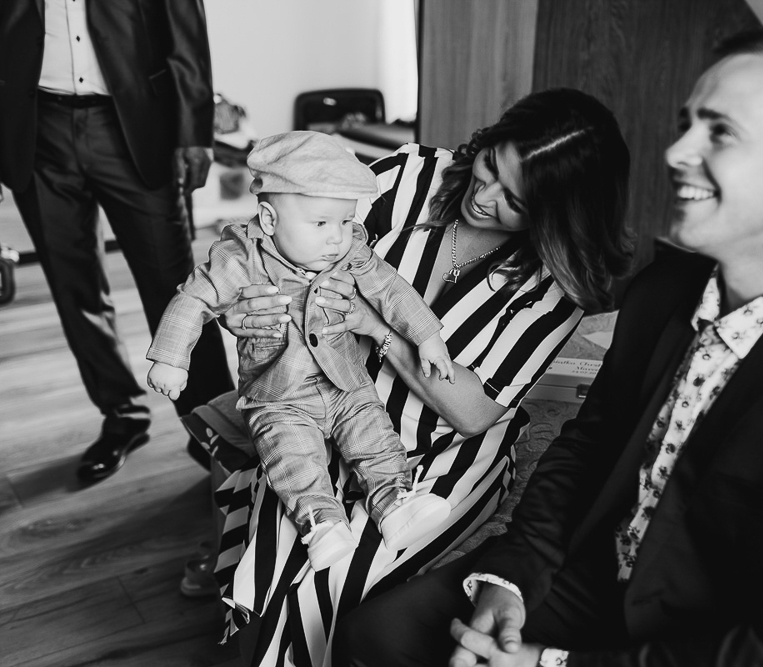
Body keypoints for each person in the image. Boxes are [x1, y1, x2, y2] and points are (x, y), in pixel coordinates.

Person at [332, 28, 763, 667]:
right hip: (602, 581)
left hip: (737, 635)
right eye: (688, 124)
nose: (678, 151)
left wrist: (552, 665)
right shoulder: (664, 288)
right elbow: (588, 449)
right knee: (376, 637)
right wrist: (510, 578)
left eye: (722, 132)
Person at [209, 88, 634, 666]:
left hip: (446, 448)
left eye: (515, 199)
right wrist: (244, 306)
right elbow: (275, 240)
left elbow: (474, 412)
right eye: (490, 166)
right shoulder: (409, 177)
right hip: (328, 398)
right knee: (287, 536)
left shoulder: (556, 285)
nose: (484, 197)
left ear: (558, 214)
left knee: (338, 578)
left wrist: (374, 324)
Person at [148, 131, 456, 570]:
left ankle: (394, 501)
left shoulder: (350, 251)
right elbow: (194, 298)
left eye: (345, 222)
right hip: (279, 395)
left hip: (345, 383)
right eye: (321, 224)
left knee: (374, 436)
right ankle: (321, 523)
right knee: (292, 458)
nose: (337, 238)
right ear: (269, 220)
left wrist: (426, 335)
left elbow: (390, 288)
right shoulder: (240, 257)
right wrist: (171, 358)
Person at [0, 0, 234, 481]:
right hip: (36, 125)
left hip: (134, 123)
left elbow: (185, 33)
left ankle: (215, 431)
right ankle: (122, 413)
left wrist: (195, 130)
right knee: (74, 288)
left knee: (177, 290)